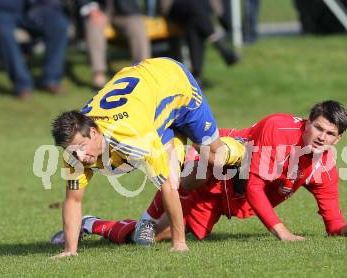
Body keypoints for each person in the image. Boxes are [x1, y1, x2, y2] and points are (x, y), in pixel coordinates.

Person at [50, 102, 347, 247]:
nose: (321, 137)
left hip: (222, 199)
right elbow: (255, 188)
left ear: (338, 139)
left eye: (330, 134)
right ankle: (103, 221)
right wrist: (283, 233)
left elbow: (333, 226)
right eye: (317, 128)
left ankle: (90, 223)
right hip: (209, 168)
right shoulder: (279, 127)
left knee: (149, 238)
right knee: (151, 229)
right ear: (306, 122)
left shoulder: (324, 168)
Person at [50, 57, 242, 258]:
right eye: (72, 151)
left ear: (95, 133)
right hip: (149, 106)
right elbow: (73, 200)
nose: (79, 156)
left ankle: (242, 149)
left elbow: (165, 184)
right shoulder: (74, 153)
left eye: (81, 147)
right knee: (182, 181)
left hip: (173, 84)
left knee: (216, 159)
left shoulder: (132, 139)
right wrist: (69, 251)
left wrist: (179, 243)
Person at [0, 0, 69, 98]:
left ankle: (51, 79)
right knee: (4, 32)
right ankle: (22, 85)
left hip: (28, 10)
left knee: (59, 24)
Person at [160, 0, 239, 86]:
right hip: (173, 8)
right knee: (194, 7)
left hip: (192, 13)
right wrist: (220, 16)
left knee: (193, 24)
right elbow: (164, 6)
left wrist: (219, 12)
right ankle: (221, 48)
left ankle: (197, 76)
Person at [77, 0, 151, 88]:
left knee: (137, 27)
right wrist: (92, 9)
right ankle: (99, 76)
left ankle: (143, 73)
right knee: (93, 25)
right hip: (99, 8)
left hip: (125, 10)